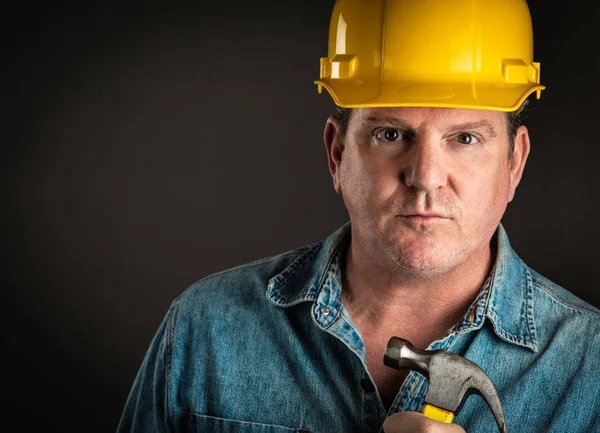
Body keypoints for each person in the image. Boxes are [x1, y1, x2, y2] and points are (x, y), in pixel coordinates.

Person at [117, 0, 600, 432]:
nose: (426, 176)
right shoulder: (206, 330)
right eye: (391, 134)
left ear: (514, 164)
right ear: (337, 153)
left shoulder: (590, 368)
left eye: (465, 138)